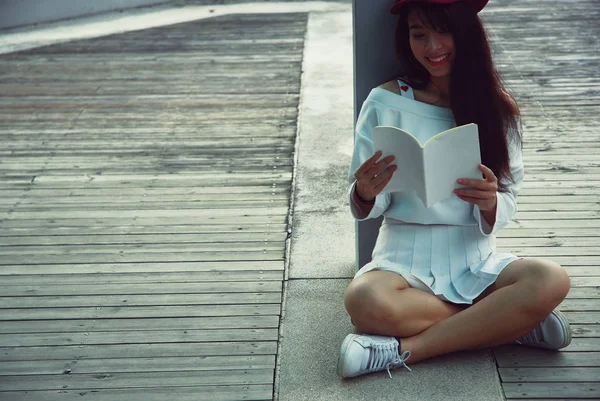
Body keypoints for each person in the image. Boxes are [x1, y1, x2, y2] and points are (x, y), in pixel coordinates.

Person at [337, 0, 572, 379]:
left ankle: (405, 351)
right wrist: (364, 192)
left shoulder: (498, 108)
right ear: (406, 38)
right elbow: (368, 201)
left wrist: (492, 201)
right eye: (419, 34)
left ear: (466, 33)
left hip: (474, 261)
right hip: (401, 260)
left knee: (551, 278)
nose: (432, 47)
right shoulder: (385, 102)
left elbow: (510, 198)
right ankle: (507, 322)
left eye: (443, 31)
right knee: (363, 299)